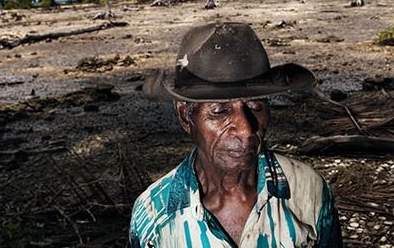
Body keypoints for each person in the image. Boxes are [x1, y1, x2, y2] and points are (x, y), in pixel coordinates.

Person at [130, 22, 342, 248]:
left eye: (255, 106)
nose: (246, 129)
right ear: (185, 116)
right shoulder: (154, 216)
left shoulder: (309, 191)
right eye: (220, 111)